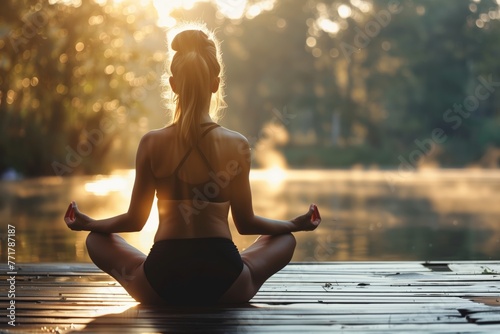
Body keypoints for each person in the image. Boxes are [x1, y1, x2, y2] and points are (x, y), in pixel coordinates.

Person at [64, 25, 321, 306]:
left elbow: (135, 221)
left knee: (95, 240)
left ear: (173, 84)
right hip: (226, 283)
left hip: (161, 285)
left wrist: (90, 223)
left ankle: (150, 284)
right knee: (285, 239)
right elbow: (246, 224)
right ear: (215, 83)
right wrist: (294, 224)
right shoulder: (237, 144)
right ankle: (240, 279)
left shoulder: (151, 143)